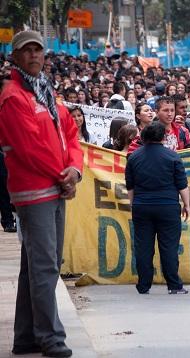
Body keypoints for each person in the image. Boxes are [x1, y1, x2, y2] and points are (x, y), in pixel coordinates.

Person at [0, 30, 83, 357]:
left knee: (35, 265)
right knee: (45, 265)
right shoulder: (12, 97)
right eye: (27, 51)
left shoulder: (46, 93)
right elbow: (29, 147)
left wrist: (74, 170)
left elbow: (72, 135)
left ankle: (26, 337)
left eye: (38, 50)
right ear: (16, 57)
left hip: (54, 187)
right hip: (35, 191)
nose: (34, 55)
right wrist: (64, 176)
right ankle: (50, 337)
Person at [125, 122, 190, 295]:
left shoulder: (134, 157)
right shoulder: (173, 157)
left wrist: (134, 205)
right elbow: (182, 185)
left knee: (143, 246)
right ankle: (174, 285)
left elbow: (130, 187)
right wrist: (187, 205)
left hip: (142, 206)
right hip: (168, 206)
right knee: (169, 246)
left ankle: (143, 285)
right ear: (163, 137)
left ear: (144, 137)